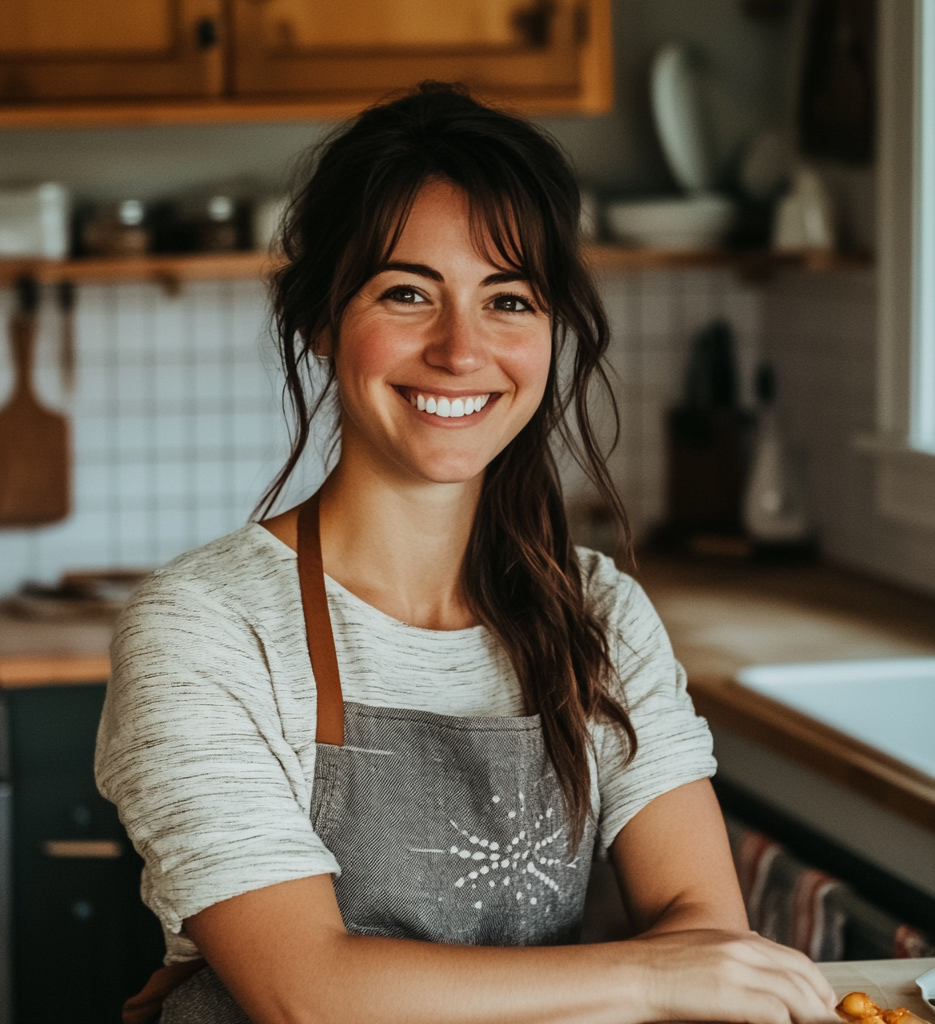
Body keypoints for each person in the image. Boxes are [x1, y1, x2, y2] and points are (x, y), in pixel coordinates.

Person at [96, 82, 839, 1024]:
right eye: (407, 293)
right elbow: (305, 994)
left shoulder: (600, 615)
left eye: (509, 299)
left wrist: (679, 966)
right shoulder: (205, 628)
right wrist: (648, 977)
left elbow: (700, 920)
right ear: (320, 321)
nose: (461, 349)